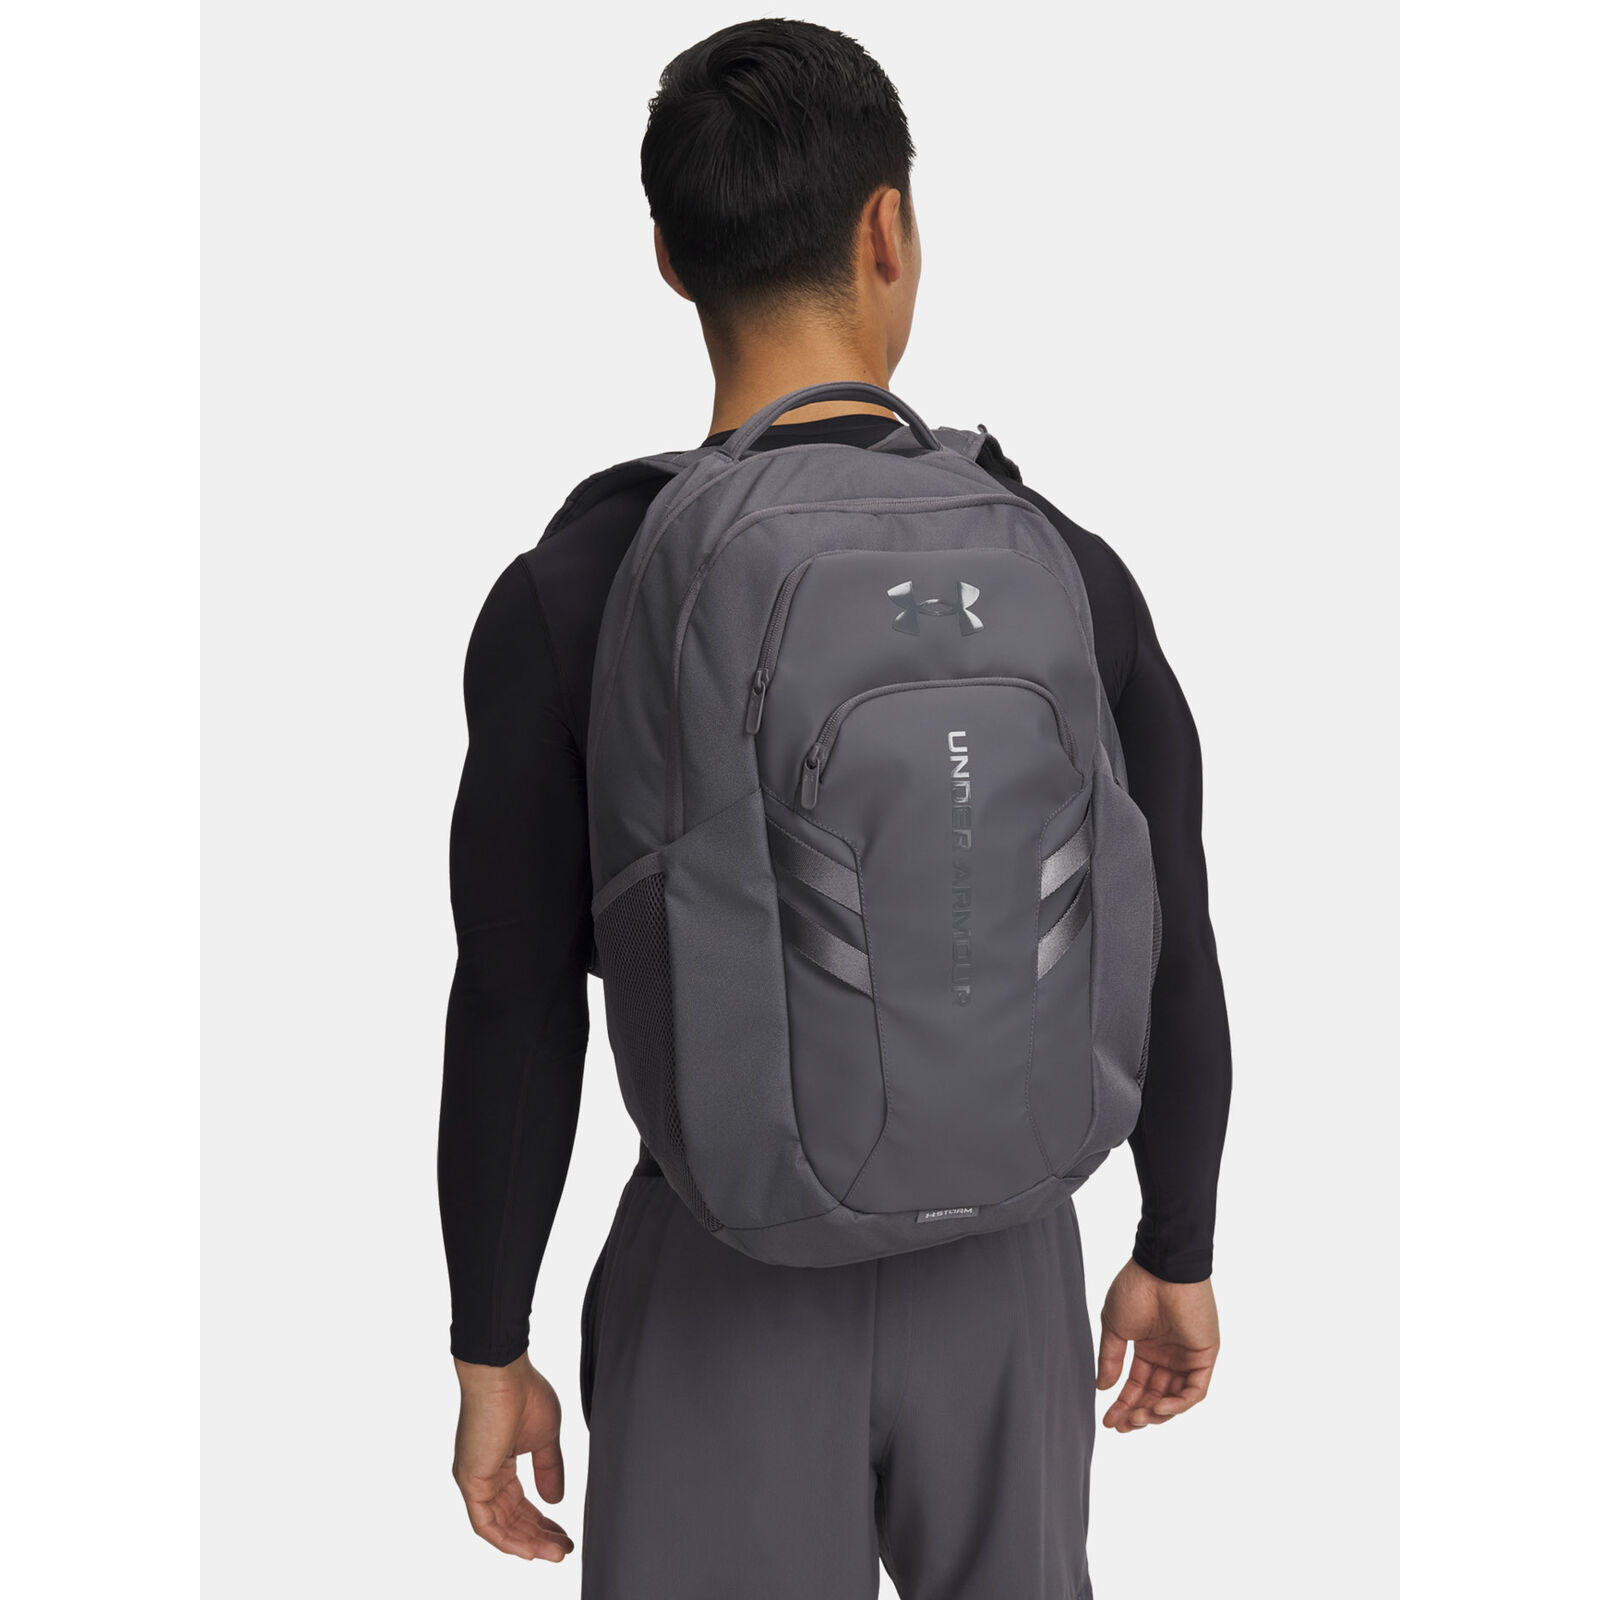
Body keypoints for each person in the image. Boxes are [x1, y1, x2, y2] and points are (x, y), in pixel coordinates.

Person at [438, 19, 1230, 1598]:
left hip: (725, 1256)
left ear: (671, 259)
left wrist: (490, 1341)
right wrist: (1178, 1240)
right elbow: (1171, 918)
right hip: (1007, 1256)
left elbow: (515, 1002)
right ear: (889, 227)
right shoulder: (1056, 559)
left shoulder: (574, 588)